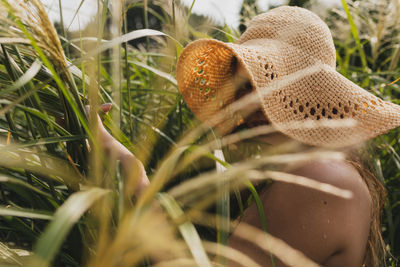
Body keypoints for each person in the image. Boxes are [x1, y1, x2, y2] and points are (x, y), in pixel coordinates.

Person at [96, 6, 399, 267]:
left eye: (270, 80)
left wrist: (130, 172)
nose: (248, 101)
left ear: (315, 93)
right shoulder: (316, 172)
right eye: (242, 83)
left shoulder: (322, 178)